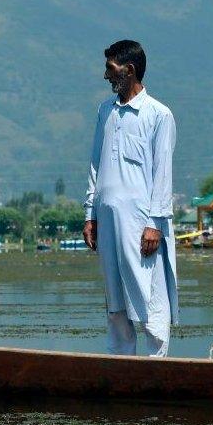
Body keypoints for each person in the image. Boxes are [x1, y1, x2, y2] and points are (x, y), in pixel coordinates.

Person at [83, 40, 178, 357]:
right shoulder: (105, 111)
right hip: (107, 221)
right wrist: (90, 215)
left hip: (142, 223)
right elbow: (96, 164)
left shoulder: (158, 115)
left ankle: (156, 361)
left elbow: (163, 173)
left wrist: (155, 224)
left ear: (130, 70)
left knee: (148, 294)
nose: (106, 76)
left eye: (110, 69)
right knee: (115, 297)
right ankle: (121, 361)